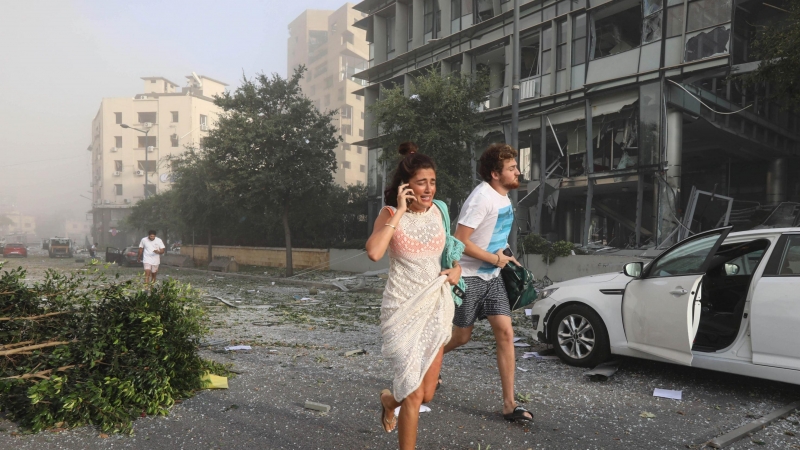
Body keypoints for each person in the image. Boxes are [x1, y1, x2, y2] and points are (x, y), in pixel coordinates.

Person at [366, 142, 461, 450]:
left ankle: (387, 399)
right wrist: (401, 211)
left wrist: (457, 270)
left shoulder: (441, 211)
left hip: (436, 306)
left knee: (426, 393)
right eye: (422, 182)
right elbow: (374, 252)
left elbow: (451, 253)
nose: (429, 188)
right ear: (407, 185)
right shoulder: (391, 213)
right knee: (414, 394)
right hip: (402, 308)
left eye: (432, 182)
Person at [443, 143, 533, 423]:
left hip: (493, 278)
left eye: (516, 167)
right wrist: (494, 260)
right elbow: (459, 241)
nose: (517, 172)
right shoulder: (481, 198)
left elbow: (495, 235)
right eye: (511, 168)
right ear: (495, 174)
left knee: (505, 333)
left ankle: (509, 404)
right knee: (461, 337)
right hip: (469, 278)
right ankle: (427, 361)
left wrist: (508, 256)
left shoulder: (503, 198)